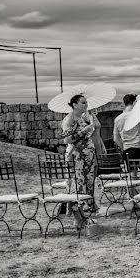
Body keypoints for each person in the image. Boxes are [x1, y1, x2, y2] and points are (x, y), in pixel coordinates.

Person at [59, 94, 98, 228]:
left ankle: (83, 218)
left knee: (87, 185)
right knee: (78, 186)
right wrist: (84, 132)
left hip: (87, 155)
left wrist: (89, 129)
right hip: (77, 157)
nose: (86, 105)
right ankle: (78, 219)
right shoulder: (69, 119)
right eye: (83, 103)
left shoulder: (82, 117)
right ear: (74, 105)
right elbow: (67, 139)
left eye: (86, 102)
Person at [113, 94, 140, 163]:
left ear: (125, 103)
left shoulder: (117, 119)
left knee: (132, 172)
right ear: (134, 102)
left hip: (127, 150)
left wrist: (124, 147)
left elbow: (116, 139)